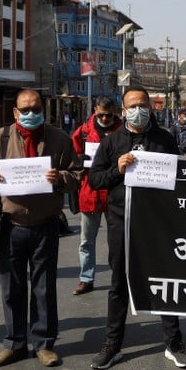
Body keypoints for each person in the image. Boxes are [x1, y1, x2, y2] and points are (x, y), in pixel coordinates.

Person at [87, 86, 186, 370]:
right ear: (123, 111)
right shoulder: (112, 142)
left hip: (158, 225)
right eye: (133, 105)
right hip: (121, 223)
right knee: (119, 285)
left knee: (164, 281)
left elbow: (179, 178)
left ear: (151, 107)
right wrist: (117, 170)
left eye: (143, 104)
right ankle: (112, 344)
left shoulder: (165, 139)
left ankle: (173, 342)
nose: (139, 109)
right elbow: (95, 180)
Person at [0, 89, 82, 368]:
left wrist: (59, 178)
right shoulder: (2, 137)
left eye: (35, 108)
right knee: (11, 288)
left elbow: (77, 174)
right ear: (15, 112)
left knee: (43, 287)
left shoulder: (59, 138)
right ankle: (15, 343)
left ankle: (44, 344)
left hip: (45, 224)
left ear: (43, 110)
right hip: (10, 225)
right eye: (25, 109)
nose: (30, 114)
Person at [70, 97, 121, 295]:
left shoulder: (124, 132)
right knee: (86, 241)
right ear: (94, 111)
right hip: (90, 193)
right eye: (101, 115)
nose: (105, 118)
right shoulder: (82, 132)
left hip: (115, 193)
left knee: (116, 241)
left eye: (109, 115)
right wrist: (78, 161)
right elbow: (70, 160)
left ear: (115, 112)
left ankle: (118, 278)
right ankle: (86, 278)